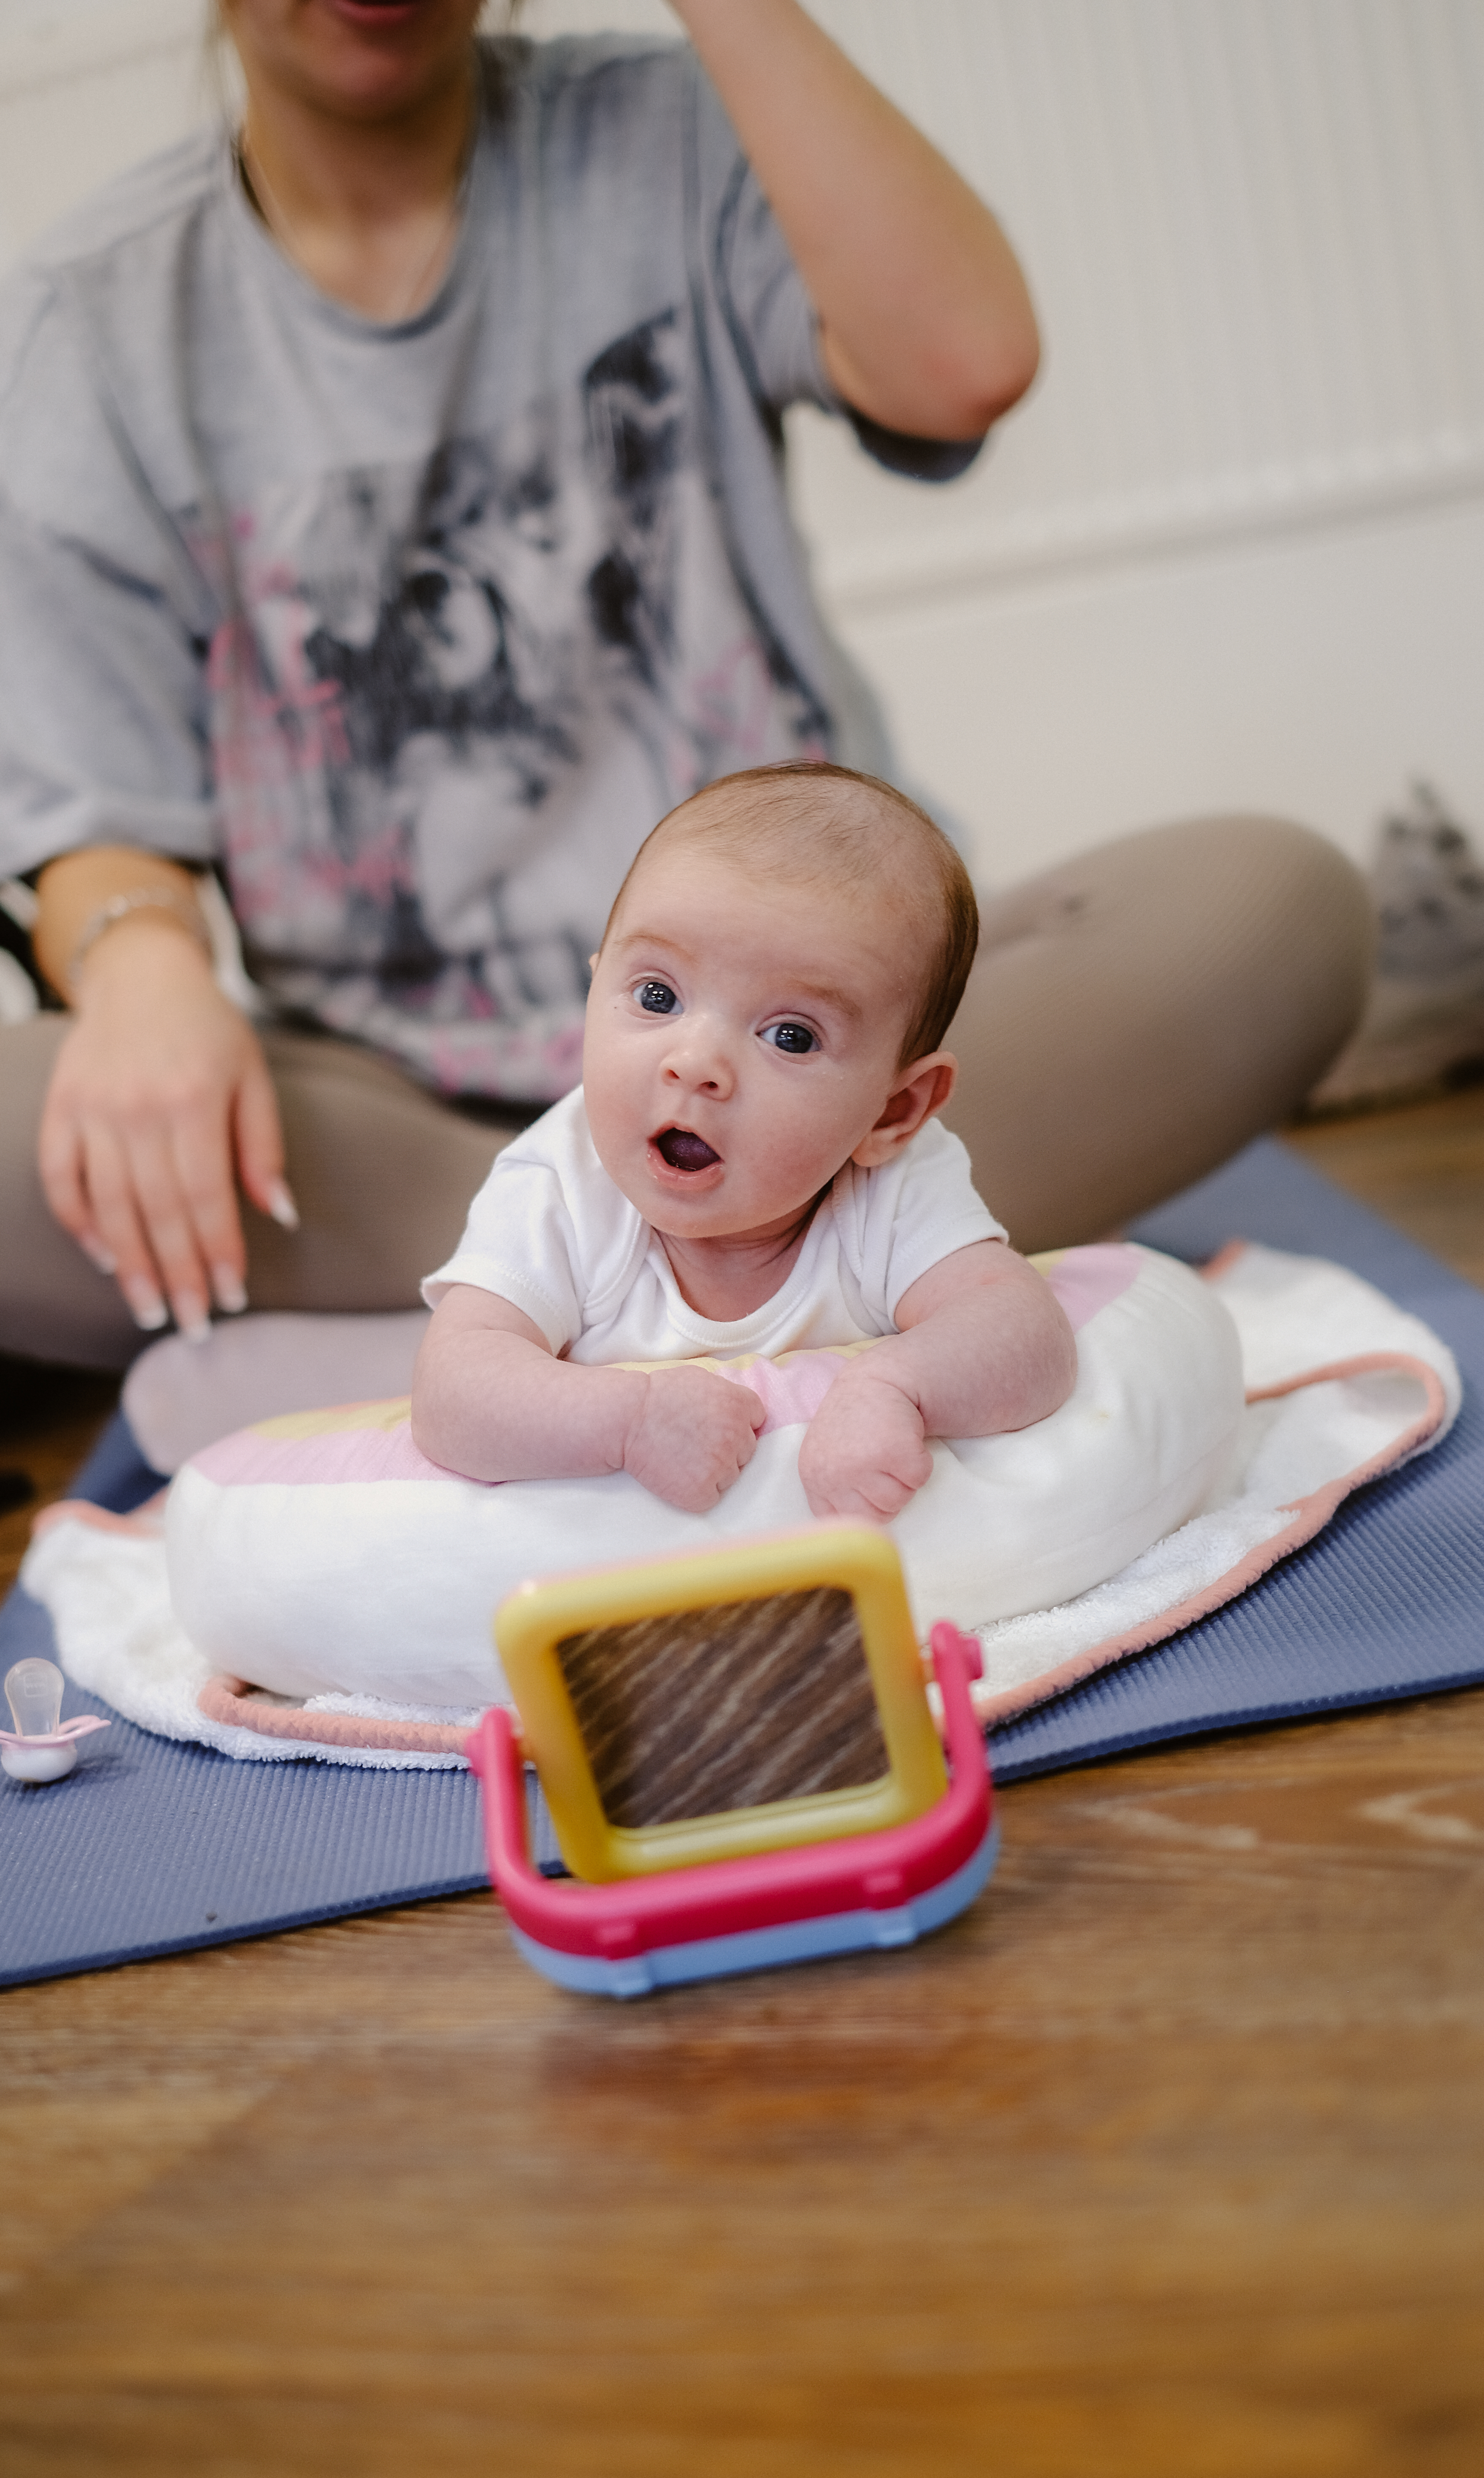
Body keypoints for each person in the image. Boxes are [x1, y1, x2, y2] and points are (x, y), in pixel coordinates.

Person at [0, 0, 1372, 1381]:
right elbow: (95, 823)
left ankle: (543, 1314)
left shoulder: (666, 130)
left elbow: (963, 366)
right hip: (400, 1112)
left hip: (801, 1071)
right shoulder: (86, 325)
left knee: (1275, 903)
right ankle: (702, 1268)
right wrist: (143, 970)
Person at [412, 762, 1076, 1520]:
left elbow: (1028, 1335)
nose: (695, 1064)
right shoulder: (559, 1184)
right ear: (595, 992)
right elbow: (452, 1394)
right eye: (657, 996)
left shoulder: (894, 1189)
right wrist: (627, 1421)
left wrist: (897, 1387)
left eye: (790, 1036)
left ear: (893, 1113)